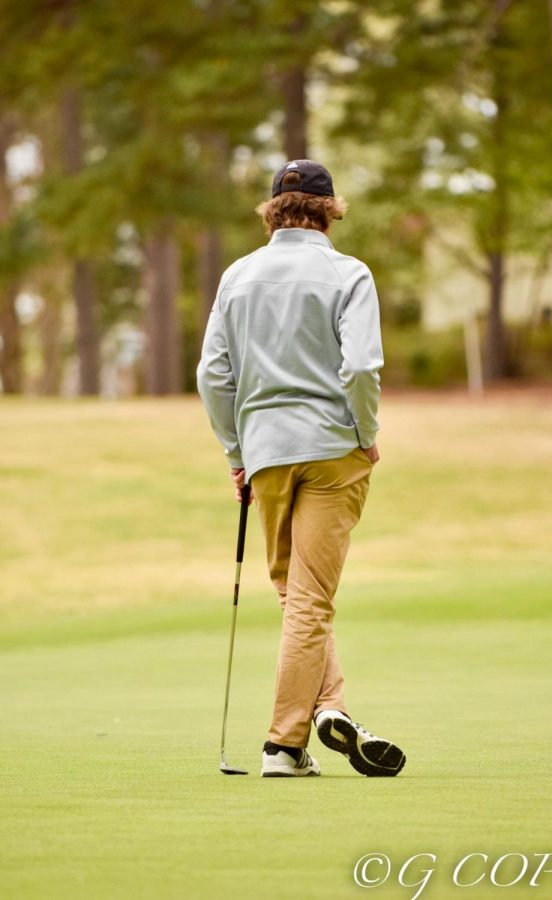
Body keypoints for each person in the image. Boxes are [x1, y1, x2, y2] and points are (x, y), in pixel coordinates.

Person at [197, 159, 406, 778]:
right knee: (310, 599)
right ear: (330, 209)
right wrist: (366, 434)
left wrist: (236, 452)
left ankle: (330, 707)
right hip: (333, 448)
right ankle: (283, 746)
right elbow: (362, 366)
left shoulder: (238, 276)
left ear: (273, 209)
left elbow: (213, 375)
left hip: (266, 452)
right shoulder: (348, 272)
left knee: (298, 596)